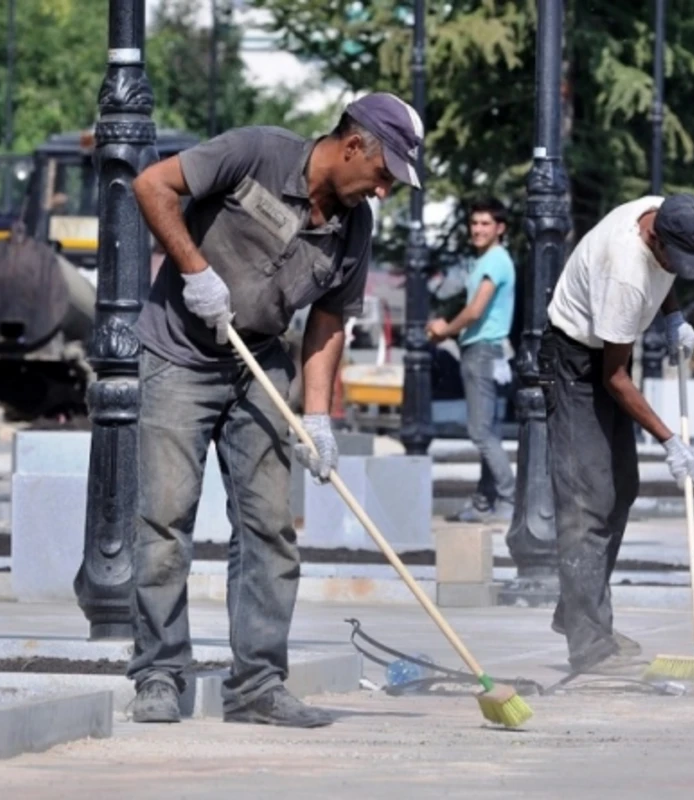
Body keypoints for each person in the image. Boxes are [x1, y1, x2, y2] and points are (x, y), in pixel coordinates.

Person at [126, 92, 425, 728]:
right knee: (164, 520)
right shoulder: (255, 152)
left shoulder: (354, 226)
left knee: (269, 527)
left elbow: (329, 320)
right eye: (382, 174)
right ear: (353, 146)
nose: (383, 191)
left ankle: (257, 685)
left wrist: (317, 419)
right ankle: (158, 674)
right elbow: (151, 185)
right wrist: (195, 271)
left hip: (259, 361)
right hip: (179, 355)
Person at [541, 193, 694, 675]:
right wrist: (670, 440)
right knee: (586, 499)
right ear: (655, 238)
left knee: (622, 488)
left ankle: (577, 610)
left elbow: (666, 275)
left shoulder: (666, 211)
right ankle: (589, 641)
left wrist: (672, 315)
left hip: (606, 356)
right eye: (675, 258)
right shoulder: (625, 273)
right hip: (576, 362)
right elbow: (614, 378)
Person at [426, 197, 517, 523]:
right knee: (488, 431)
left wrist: (444, 331)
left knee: (480, 432)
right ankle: (483, 500)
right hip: (486, 352)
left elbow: (476, 310)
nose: (477, 229)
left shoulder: (495, 261)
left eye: (485, 224)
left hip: (481, 351)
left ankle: (508, 499)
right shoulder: (488, 260)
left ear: (500, 229)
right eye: (474, 223)